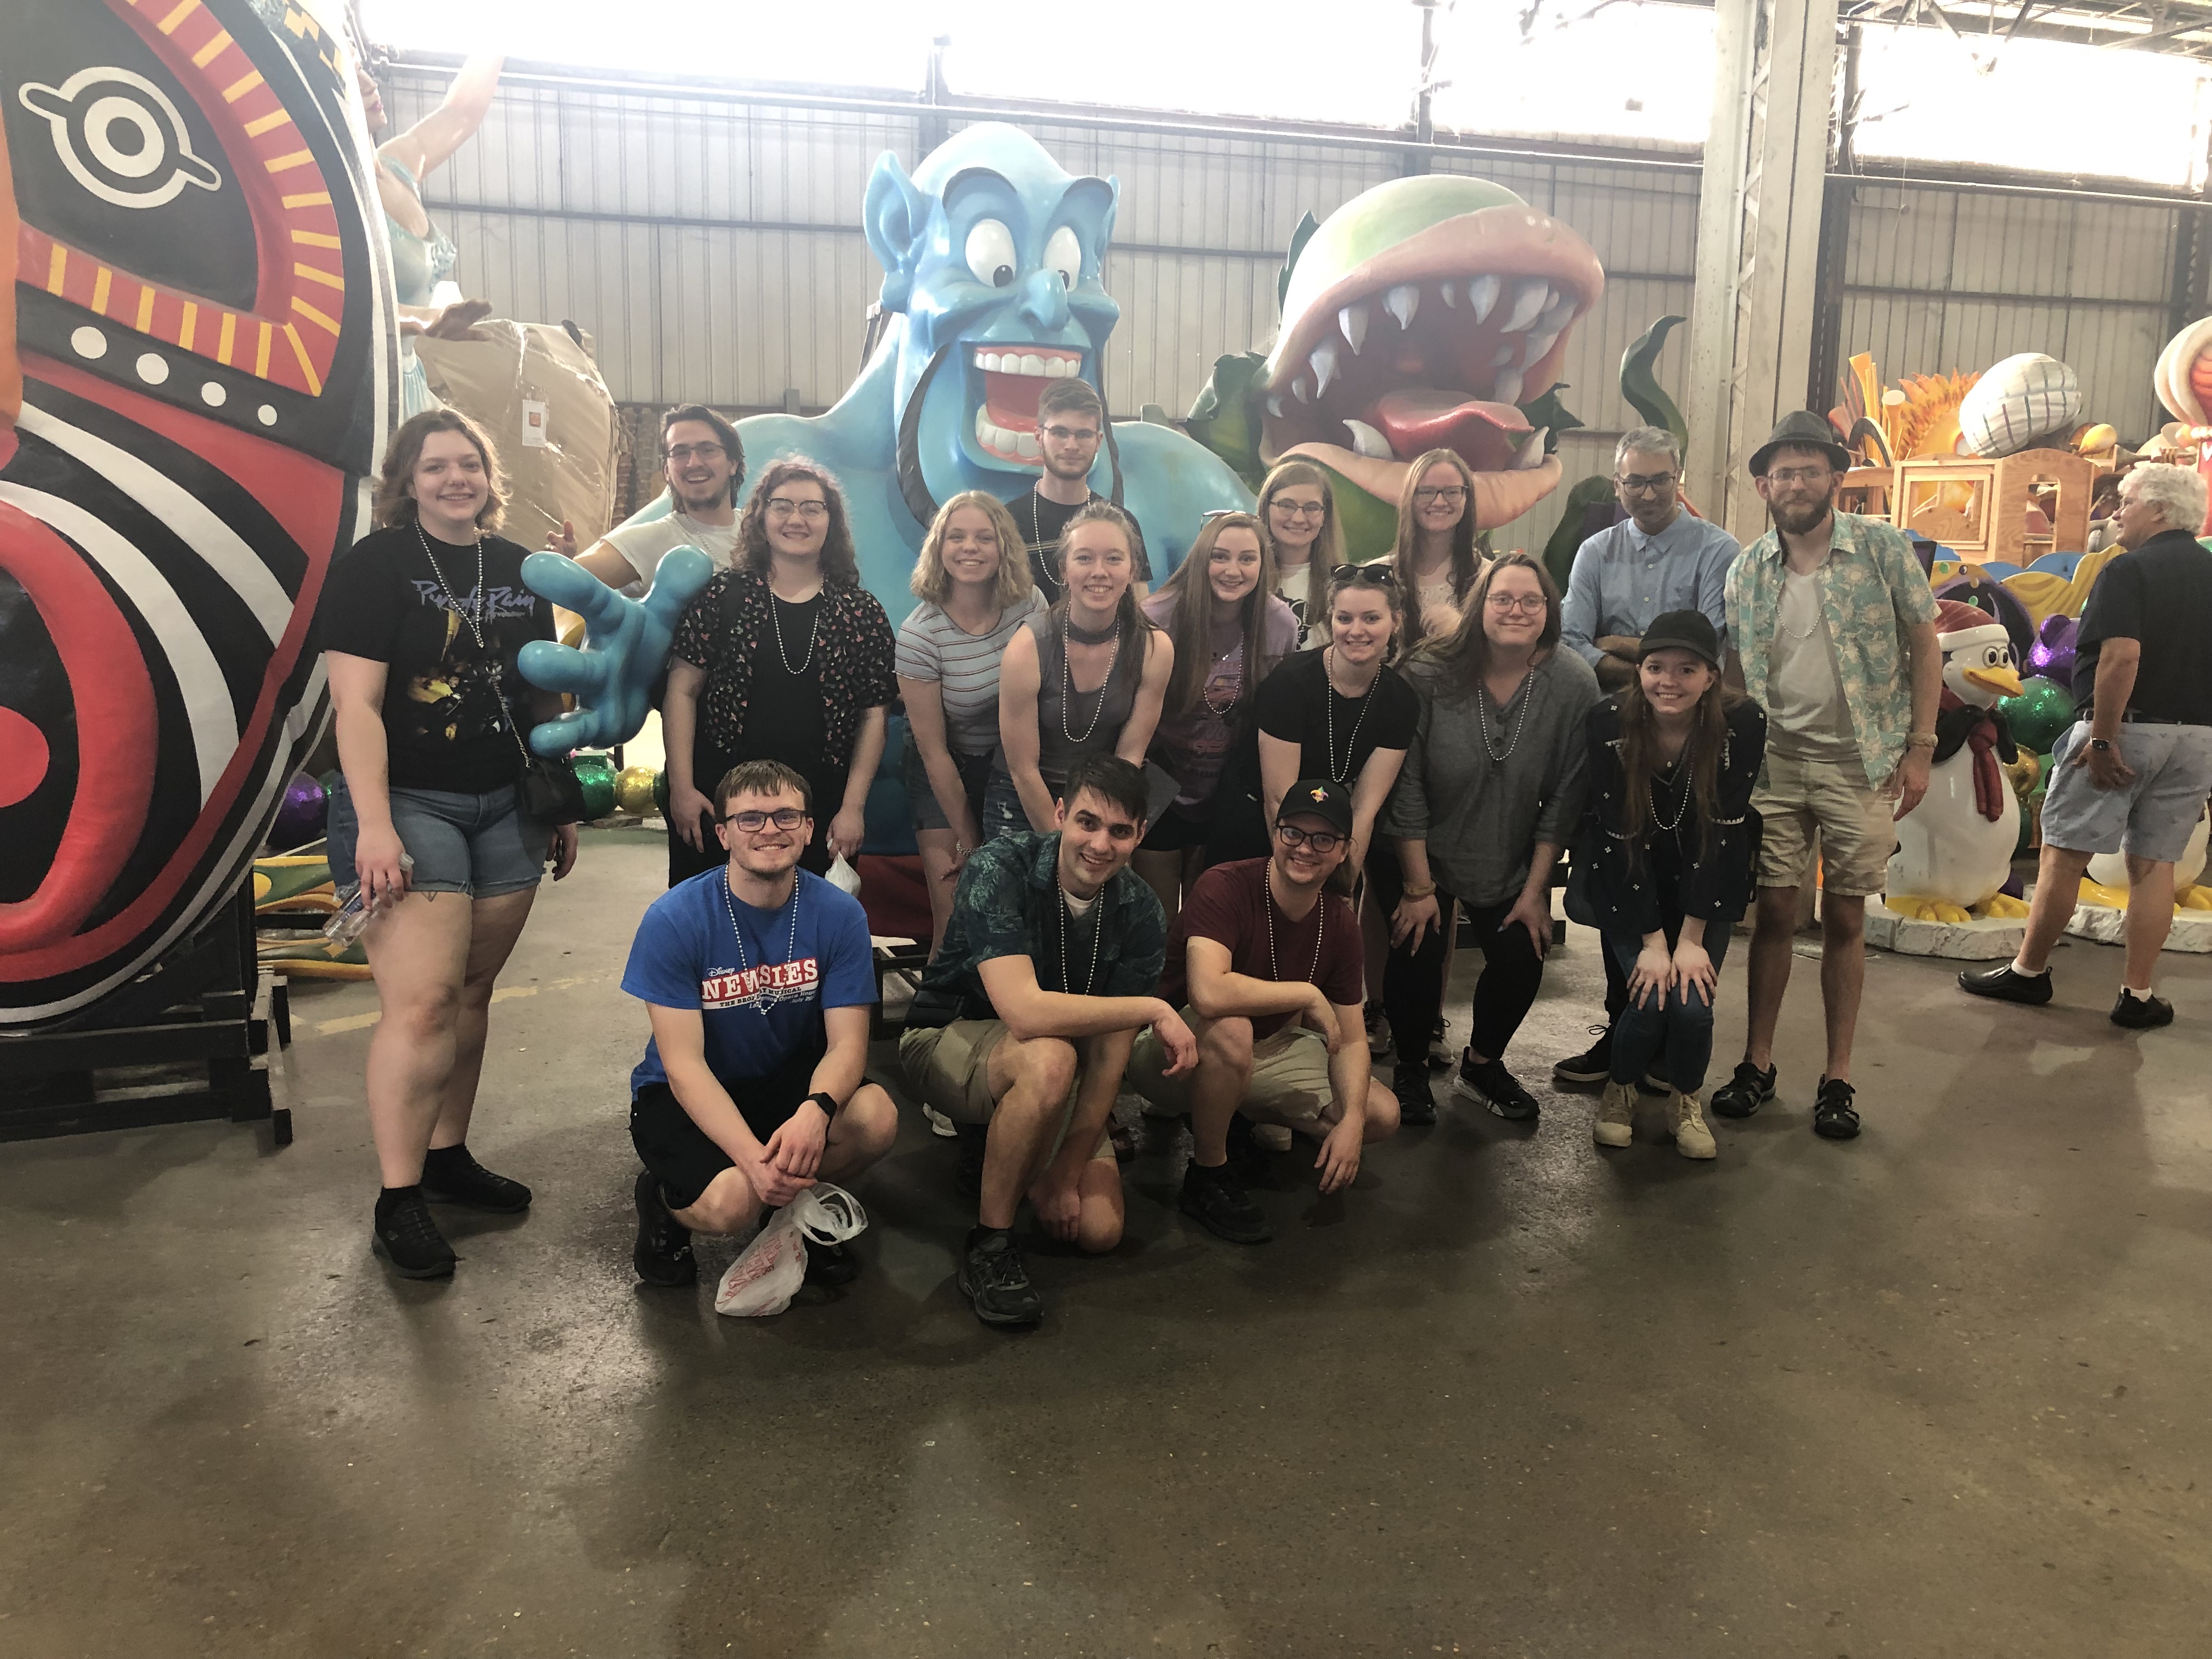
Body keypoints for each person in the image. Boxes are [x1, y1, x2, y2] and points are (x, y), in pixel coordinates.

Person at [319, 408, 578, 1280]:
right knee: (423, 1004)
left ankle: (447, 1155)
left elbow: (543, 697)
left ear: (489, 476)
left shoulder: (518, 570)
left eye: (470, 463)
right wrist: (377, 825)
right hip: (408, 802)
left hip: (508, 803)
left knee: (472, 993)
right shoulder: (375, 566)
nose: (456, 478)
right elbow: (354, 707)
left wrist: (563, 802)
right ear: (408, 480)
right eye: (436, 467)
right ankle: (400, 1198)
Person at [898, 756, 1196, 1328]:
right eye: (1087, 822)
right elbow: (1024, 1012)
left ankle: (1007, 1151)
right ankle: (989, 1242)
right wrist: (1156, 1007)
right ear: (1060, 814)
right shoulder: (999, 866)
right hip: (946, 1037)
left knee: (1100, 1230)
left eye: (1119, 831)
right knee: (1052, 1056)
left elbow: (1110, 1058)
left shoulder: (1140, 911)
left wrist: (1067, 1171)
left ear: (1140, 835)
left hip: (1053, 1063)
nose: (1099, 844)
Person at [1714, 412, 1940, 1141]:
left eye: (1812, 470)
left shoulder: (1879, 548)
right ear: (1764, 485)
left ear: (1836, 481)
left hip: (1861, 762)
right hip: (1777, 762)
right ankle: (1758, 1061)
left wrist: (1920, 747)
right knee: (1774, 911)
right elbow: (1736, 674)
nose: (1798, 483)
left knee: (1846, 915)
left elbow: (1925, 644)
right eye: (1784, 472)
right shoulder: (1747, 569)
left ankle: (1838, 1076)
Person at [623, 761, 899, 1289]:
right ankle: (662, 1201)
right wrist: (755, 1162)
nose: (770, 830)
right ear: (723, 834)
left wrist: (815, 1114)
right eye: (750, 818)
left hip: (785, 1078)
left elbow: (847, 1047)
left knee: (875, 1117)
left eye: (786, 816)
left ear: (810, 830)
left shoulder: (840, 914)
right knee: (734, 1202)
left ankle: (791, 1216)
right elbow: (683, 1067)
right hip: (687, 1091)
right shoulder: (675, 919)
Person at [1960, 462, 2212, 1028]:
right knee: (2157, 863)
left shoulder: (2128, 573)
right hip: (2197, 736)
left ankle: (2029, 972)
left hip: (2126, 729)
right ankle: (2138, 994)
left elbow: (2122, 656)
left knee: (2065, 852)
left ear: (2161, 511)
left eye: (2125, 501)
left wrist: (2102, 737)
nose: (2116, 513)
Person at [1379, 553, 1600, 1125]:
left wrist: (1535, 891)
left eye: (1532, 601)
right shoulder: (1428, 672)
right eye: (1502, 599)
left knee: (1524, 950)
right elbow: (1404, 784)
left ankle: (1482, 1065)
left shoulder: (1574, 683)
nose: (1516, 611)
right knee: (1417, 946)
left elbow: (1566, 799)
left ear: (1550, 611)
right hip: (1420, 844)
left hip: (1511, 850)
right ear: (1480, 607)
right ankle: (1409, 1065)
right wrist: (1417, 884)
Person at [1128, 780, 1399, 1242]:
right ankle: (1207, 1174)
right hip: (1175, 1048)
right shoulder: (1225, 884)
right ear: (1275, 834)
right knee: (1232, 1027)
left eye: (1323, 840)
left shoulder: (1338, 922)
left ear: (1343, 851)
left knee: (1380, 1113)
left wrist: (1351, 1120)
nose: (1305, 849)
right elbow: (1209, 994)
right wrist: (1307, 996)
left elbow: (1352, 1039)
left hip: (1266, 1047)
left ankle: (1234, 1113)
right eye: (1293, 833)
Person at [1553, 426, 1741, 1090]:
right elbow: (1573, 639)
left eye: (1661, 479)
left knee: (1683, 872)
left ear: (1678, 480)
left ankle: (1666, 1047)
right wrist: (1660, 666)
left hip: (1694, 747)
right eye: (1635, 481)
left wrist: (1627, 647)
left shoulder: (1719, 550)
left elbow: (1709, 645)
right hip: (1619, 742)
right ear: (1617, 483)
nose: (1648, 492)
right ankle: (1622, 1028)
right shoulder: (1594, 552)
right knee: (1615, 876)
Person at [1573, 613, 1765, 1161]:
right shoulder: (1608, 720)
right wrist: (1656, 941)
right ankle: (1620, 1091)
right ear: (1639, 672)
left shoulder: (1743, 723)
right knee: (1652, 996)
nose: (1668, 681)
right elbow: (1617, 833)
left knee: (1692, 1006)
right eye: (1656, 667)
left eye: (1687, 669)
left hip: (1708, 876)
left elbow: (1725, 831)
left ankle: (1686, 1099)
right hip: (1626, 874)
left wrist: (1691, 938)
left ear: (1711, 676)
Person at [662, 459, 897, 887]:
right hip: (719, 801)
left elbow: (874, 716)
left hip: (819, 806)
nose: (796, 519)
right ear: (761, 517)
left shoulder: (861, 612)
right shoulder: (721, 596)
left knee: (808, 933)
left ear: (832, 521)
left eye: (812, 508)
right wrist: (681, 787)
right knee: (713, 929)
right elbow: (681, 691)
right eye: (782, 506)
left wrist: (853, 808)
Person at [897, 492, 1048, 954]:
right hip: (946, 765)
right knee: (956, 909)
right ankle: (931, 1022)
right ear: (938, 548)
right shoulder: (920, 634)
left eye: (985, 537)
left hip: (1015, 762)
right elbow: (933, 751)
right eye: (956, 537)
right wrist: (969, 839)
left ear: (1004, 547)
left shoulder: (1031, 605)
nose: (970, 548)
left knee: (1016, 906)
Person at [1135, 512, 1297, 922]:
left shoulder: (1279, 624)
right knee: (1157, 920)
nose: (1233, 570)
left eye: (1247, 559)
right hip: (1161, 784)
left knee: (1209, 920)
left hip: (1229, 789)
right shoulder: (1157, 617)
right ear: (1202, 559)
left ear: (1263, 565)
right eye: (1220, 557)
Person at [1207, 563, 1420, 870]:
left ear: (1396, 621)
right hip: (1255, 823)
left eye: (1371, 618)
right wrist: (1296, 881)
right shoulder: (1290, 684)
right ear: (1331, 620)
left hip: (1326, 830)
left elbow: (1364, 810)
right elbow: (1278, 801)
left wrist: (1344, 885)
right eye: (1344, 618)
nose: (1356, 631)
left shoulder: (1401, 701)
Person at [991, 500, 1173, 839]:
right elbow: (1023, 768)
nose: (1099, 571)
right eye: (1085, 558)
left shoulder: (1154, 649)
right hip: (1025, 794)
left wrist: (1099, 833)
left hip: (1103, 796)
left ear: (1133, 570)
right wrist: (1063, 848)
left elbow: (1129, 756)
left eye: (1114, 558)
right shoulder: (1027, 648)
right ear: (1064, 569)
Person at [552, 405, 746, 595]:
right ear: (667, 473)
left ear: (733, 464)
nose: (694, 463)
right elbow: (562, 578)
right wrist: (564, 562)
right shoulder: (653, 541)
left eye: (707, 450)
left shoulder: (760, 530)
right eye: (680, 453)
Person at [1007, 378, 1152, 604]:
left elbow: (1141, 612)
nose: (1071, 445)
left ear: (1098, 441)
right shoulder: (1007, 523)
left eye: (1083, 434)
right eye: (1060, 432)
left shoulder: (1122, 524)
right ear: (1039, 437)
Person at [1390, 448, 1486, 651]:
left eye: (1452, 492)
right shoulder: (1380, 575)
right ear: (1410, 498)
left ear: (1466, 498)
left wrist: (1460, 632)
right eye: (1426, 492)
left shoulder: (1489, 578)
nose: (1440, 502)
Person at [1256, 459, 1346, 650]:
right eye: (1286, 505)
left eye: (1312, 508)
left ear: (1325, 516)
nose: (1298, 519)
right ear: (1266, 509)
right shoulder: (1245, 578)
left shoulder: (1344, 584)